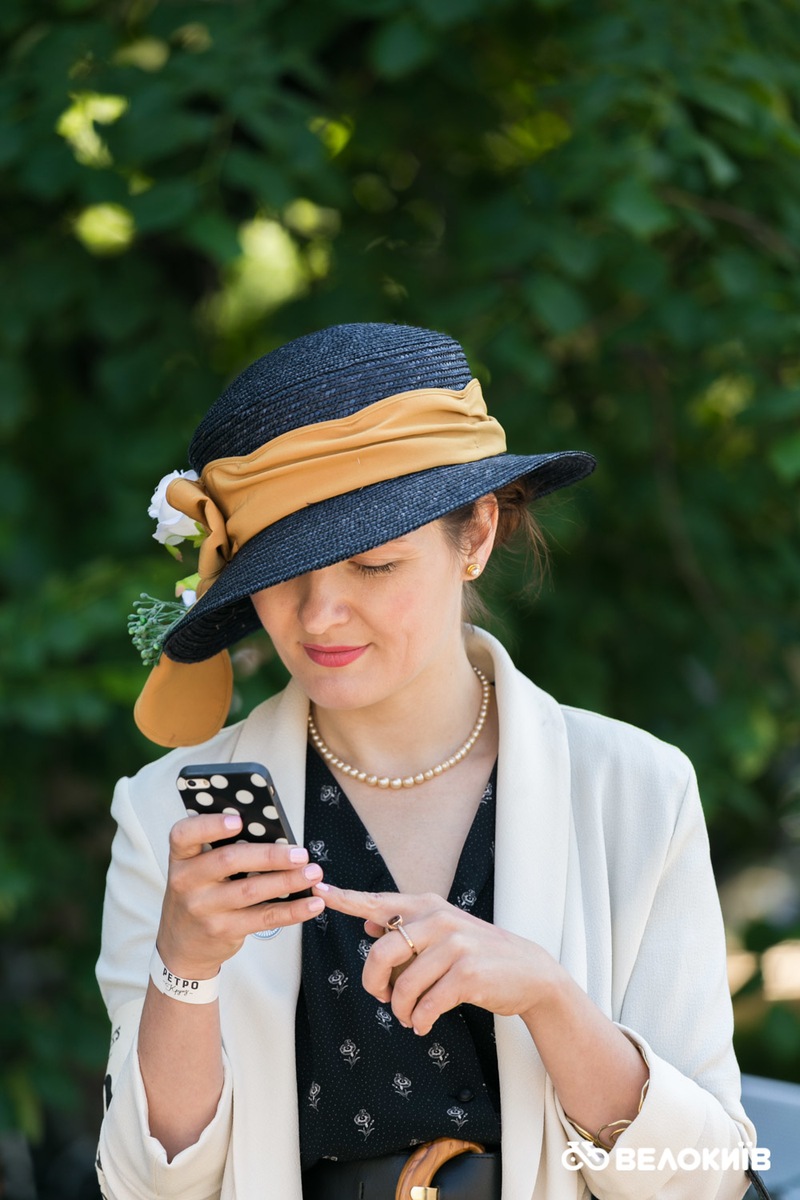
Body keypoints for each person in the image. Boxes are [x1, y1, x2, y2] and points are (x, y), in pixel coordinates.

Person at [96, 322, 756, 1200]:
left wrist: (550, 999)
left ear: (475, 534)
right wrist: (184, 967)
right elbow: (144, 1188)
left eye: (373, 565)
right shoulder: (165, 820)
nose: (319, 616)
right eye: (282, 573)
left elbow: (709, 1182)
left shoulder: (637, 792)